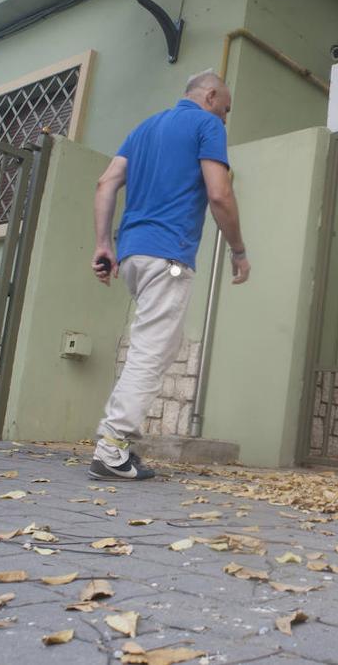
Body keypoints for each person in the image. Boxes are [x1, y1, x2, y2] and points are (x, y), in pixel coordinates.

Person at [88, 69, 250, 480]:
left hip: (133, 256)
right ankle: (112, 447)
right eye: (226, 109)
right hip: (169, 256)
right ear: (211, 96)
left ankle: (121, 442)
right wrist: (238, 251)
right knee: (151, 351)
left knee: (156, 345)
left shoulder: (143, 128)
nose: (225, 119)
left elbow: (106, 183)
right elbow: (219, 192)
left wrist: (103, 244)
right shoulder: (206, 124)